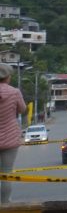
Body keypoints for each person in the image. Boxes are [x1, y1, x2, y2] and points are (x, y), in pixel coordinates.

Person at [0, 63, 27, 205]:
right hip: (10, 139)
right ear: (8, 77)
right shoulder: (15, 92)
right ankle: (4, 203)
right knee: (6, 173)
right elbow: (22, 109)